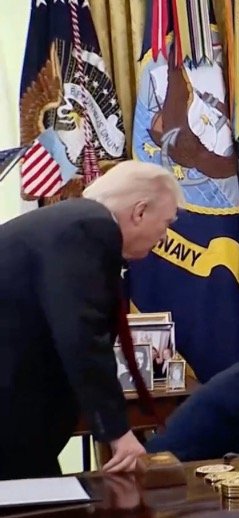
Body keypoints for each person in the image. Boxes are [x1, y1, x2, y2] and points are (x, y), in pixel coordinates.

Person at [0, 161, 181, 479]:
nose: (164, 236)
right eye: (166, 222)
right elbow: (81, 335)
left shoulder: (70, 222)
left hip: (19, 414)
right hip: (12, 417)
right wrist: (118, 433)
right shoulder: (87, 229)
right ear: (139, 212)